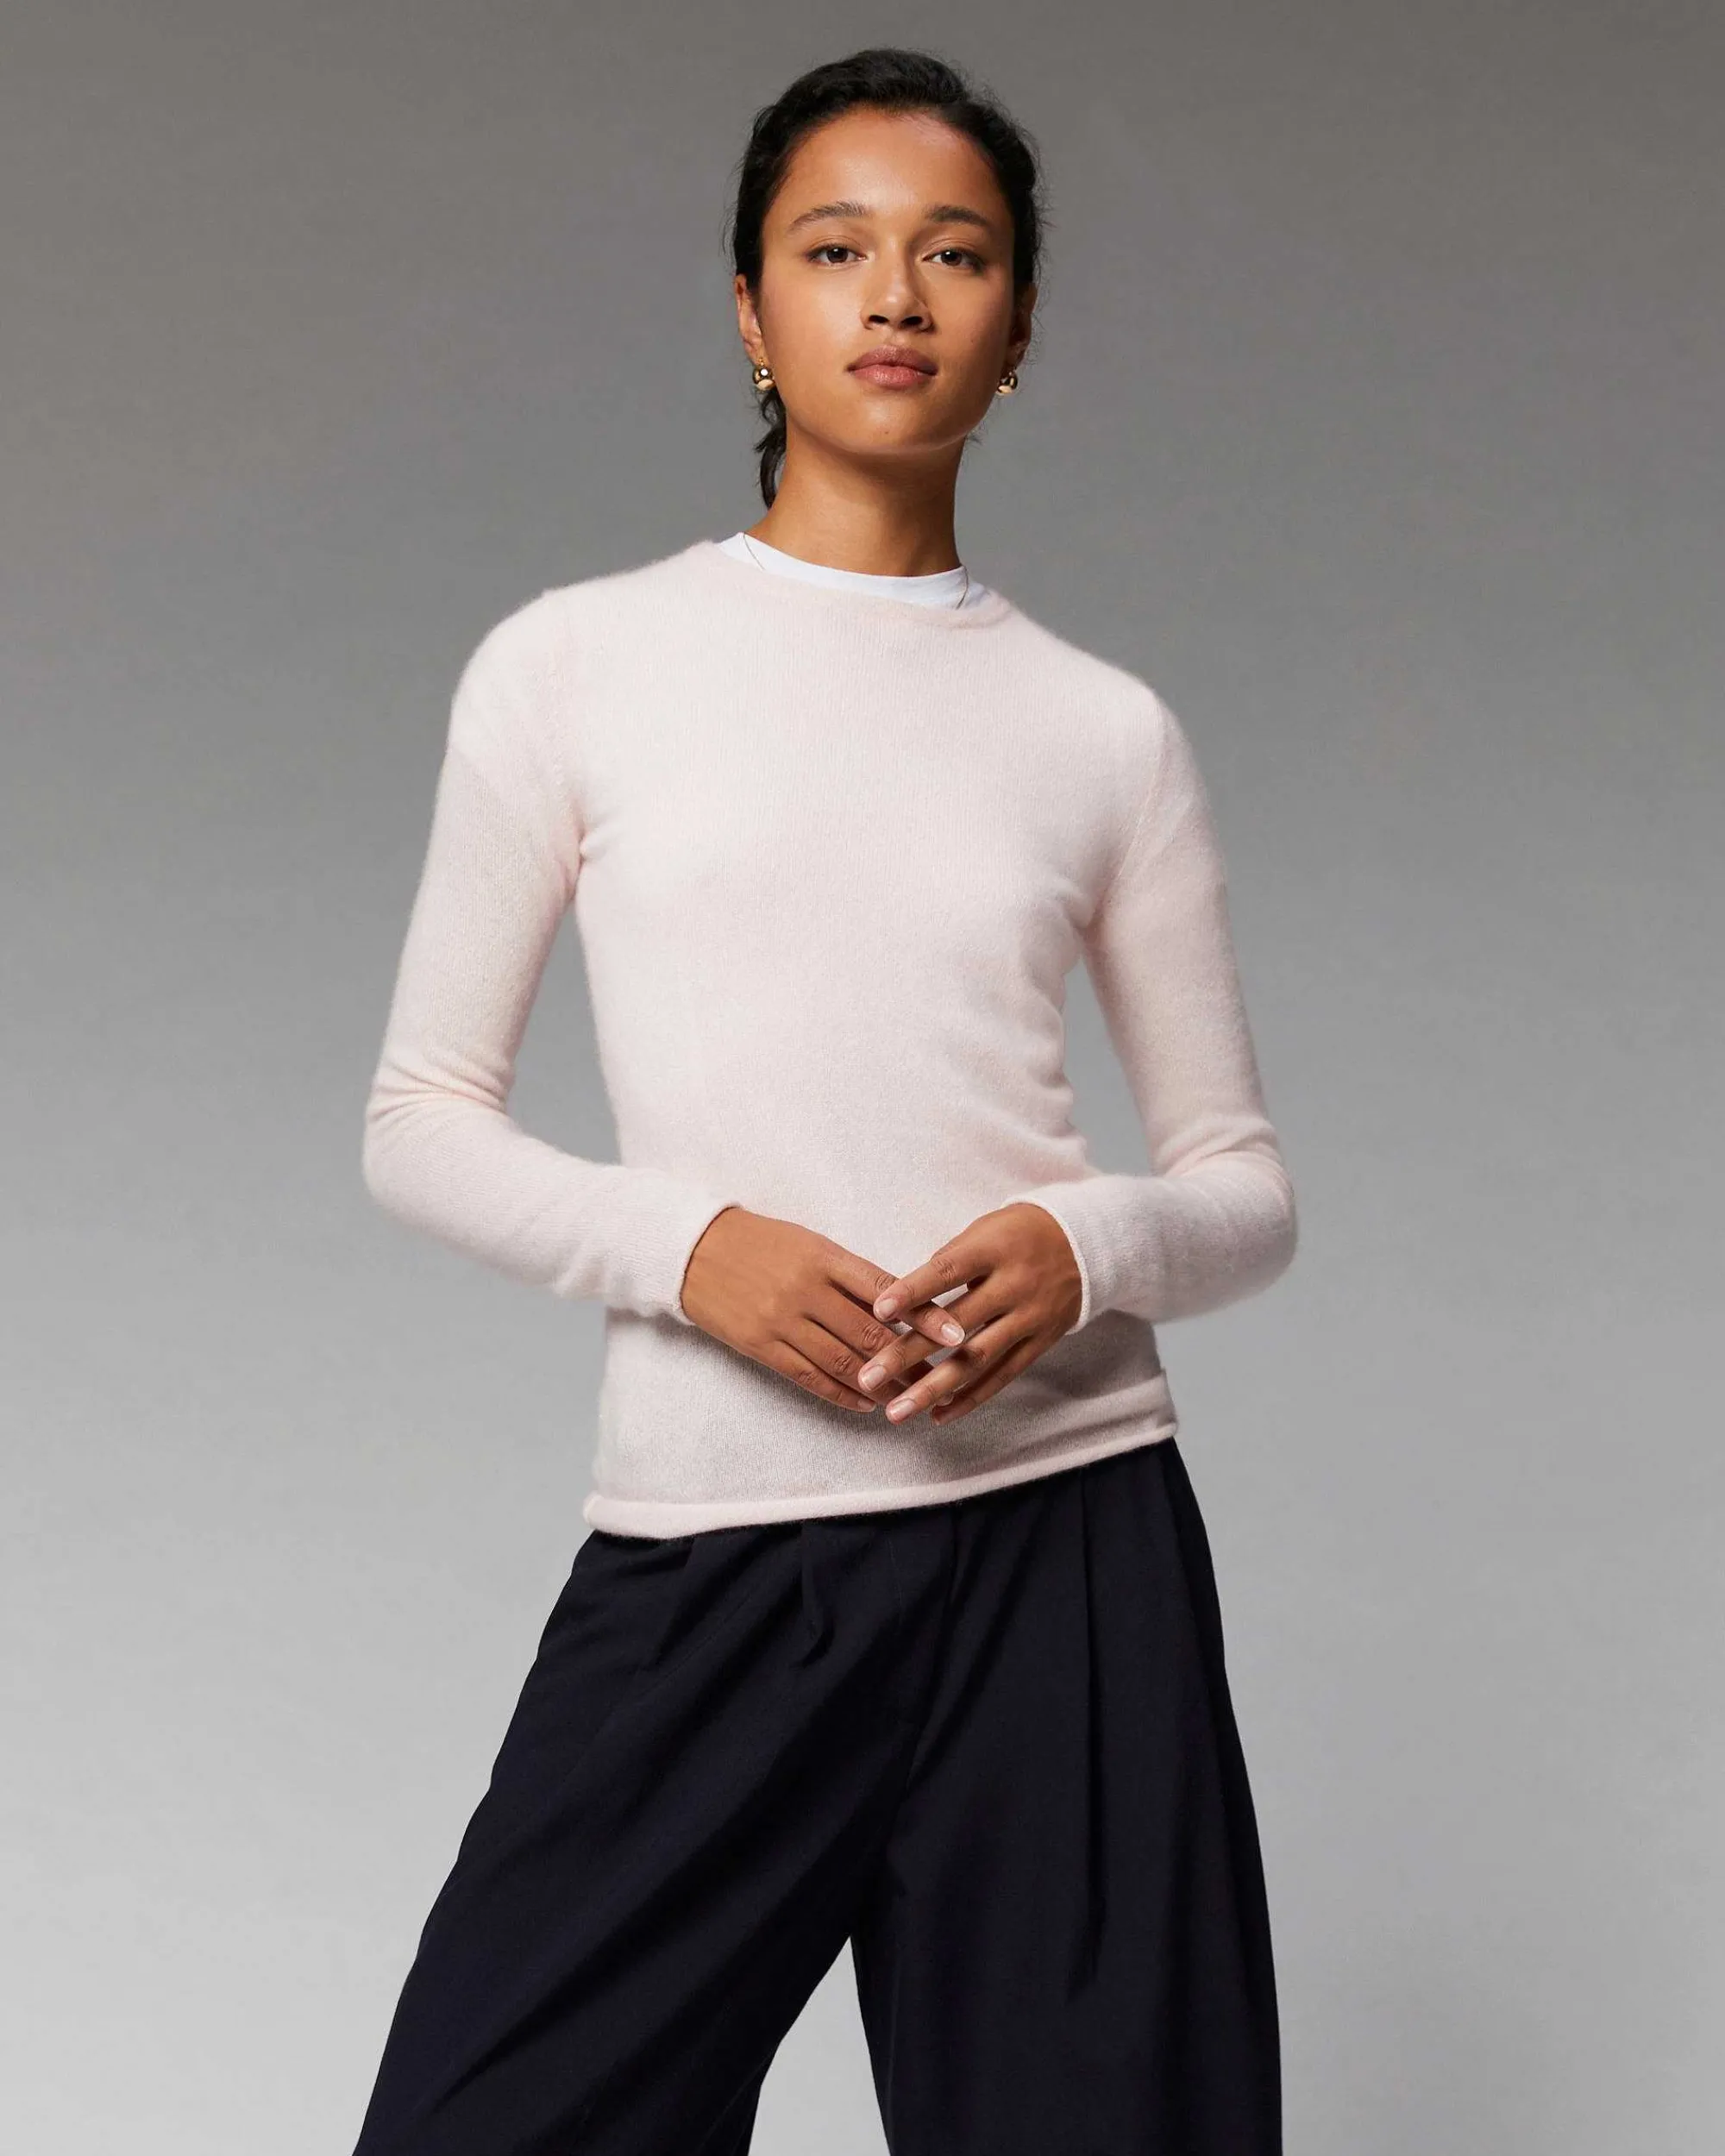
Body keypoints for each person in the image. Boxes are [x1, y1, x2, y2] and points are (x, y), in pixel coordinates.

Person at [348, 43, 1298, 2156]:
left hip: (1065, 1551)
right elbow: (418, 1115)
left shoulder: (1101, 729)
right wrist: (692, 1249)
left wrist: (1082, 1245)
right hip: (719, 1558)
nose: (894, 294)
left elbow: (1242, 1187)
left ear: (1015, 328)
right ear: (749, 311)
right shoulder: (573, 666)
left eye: (955, 253)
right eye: (835, 247)